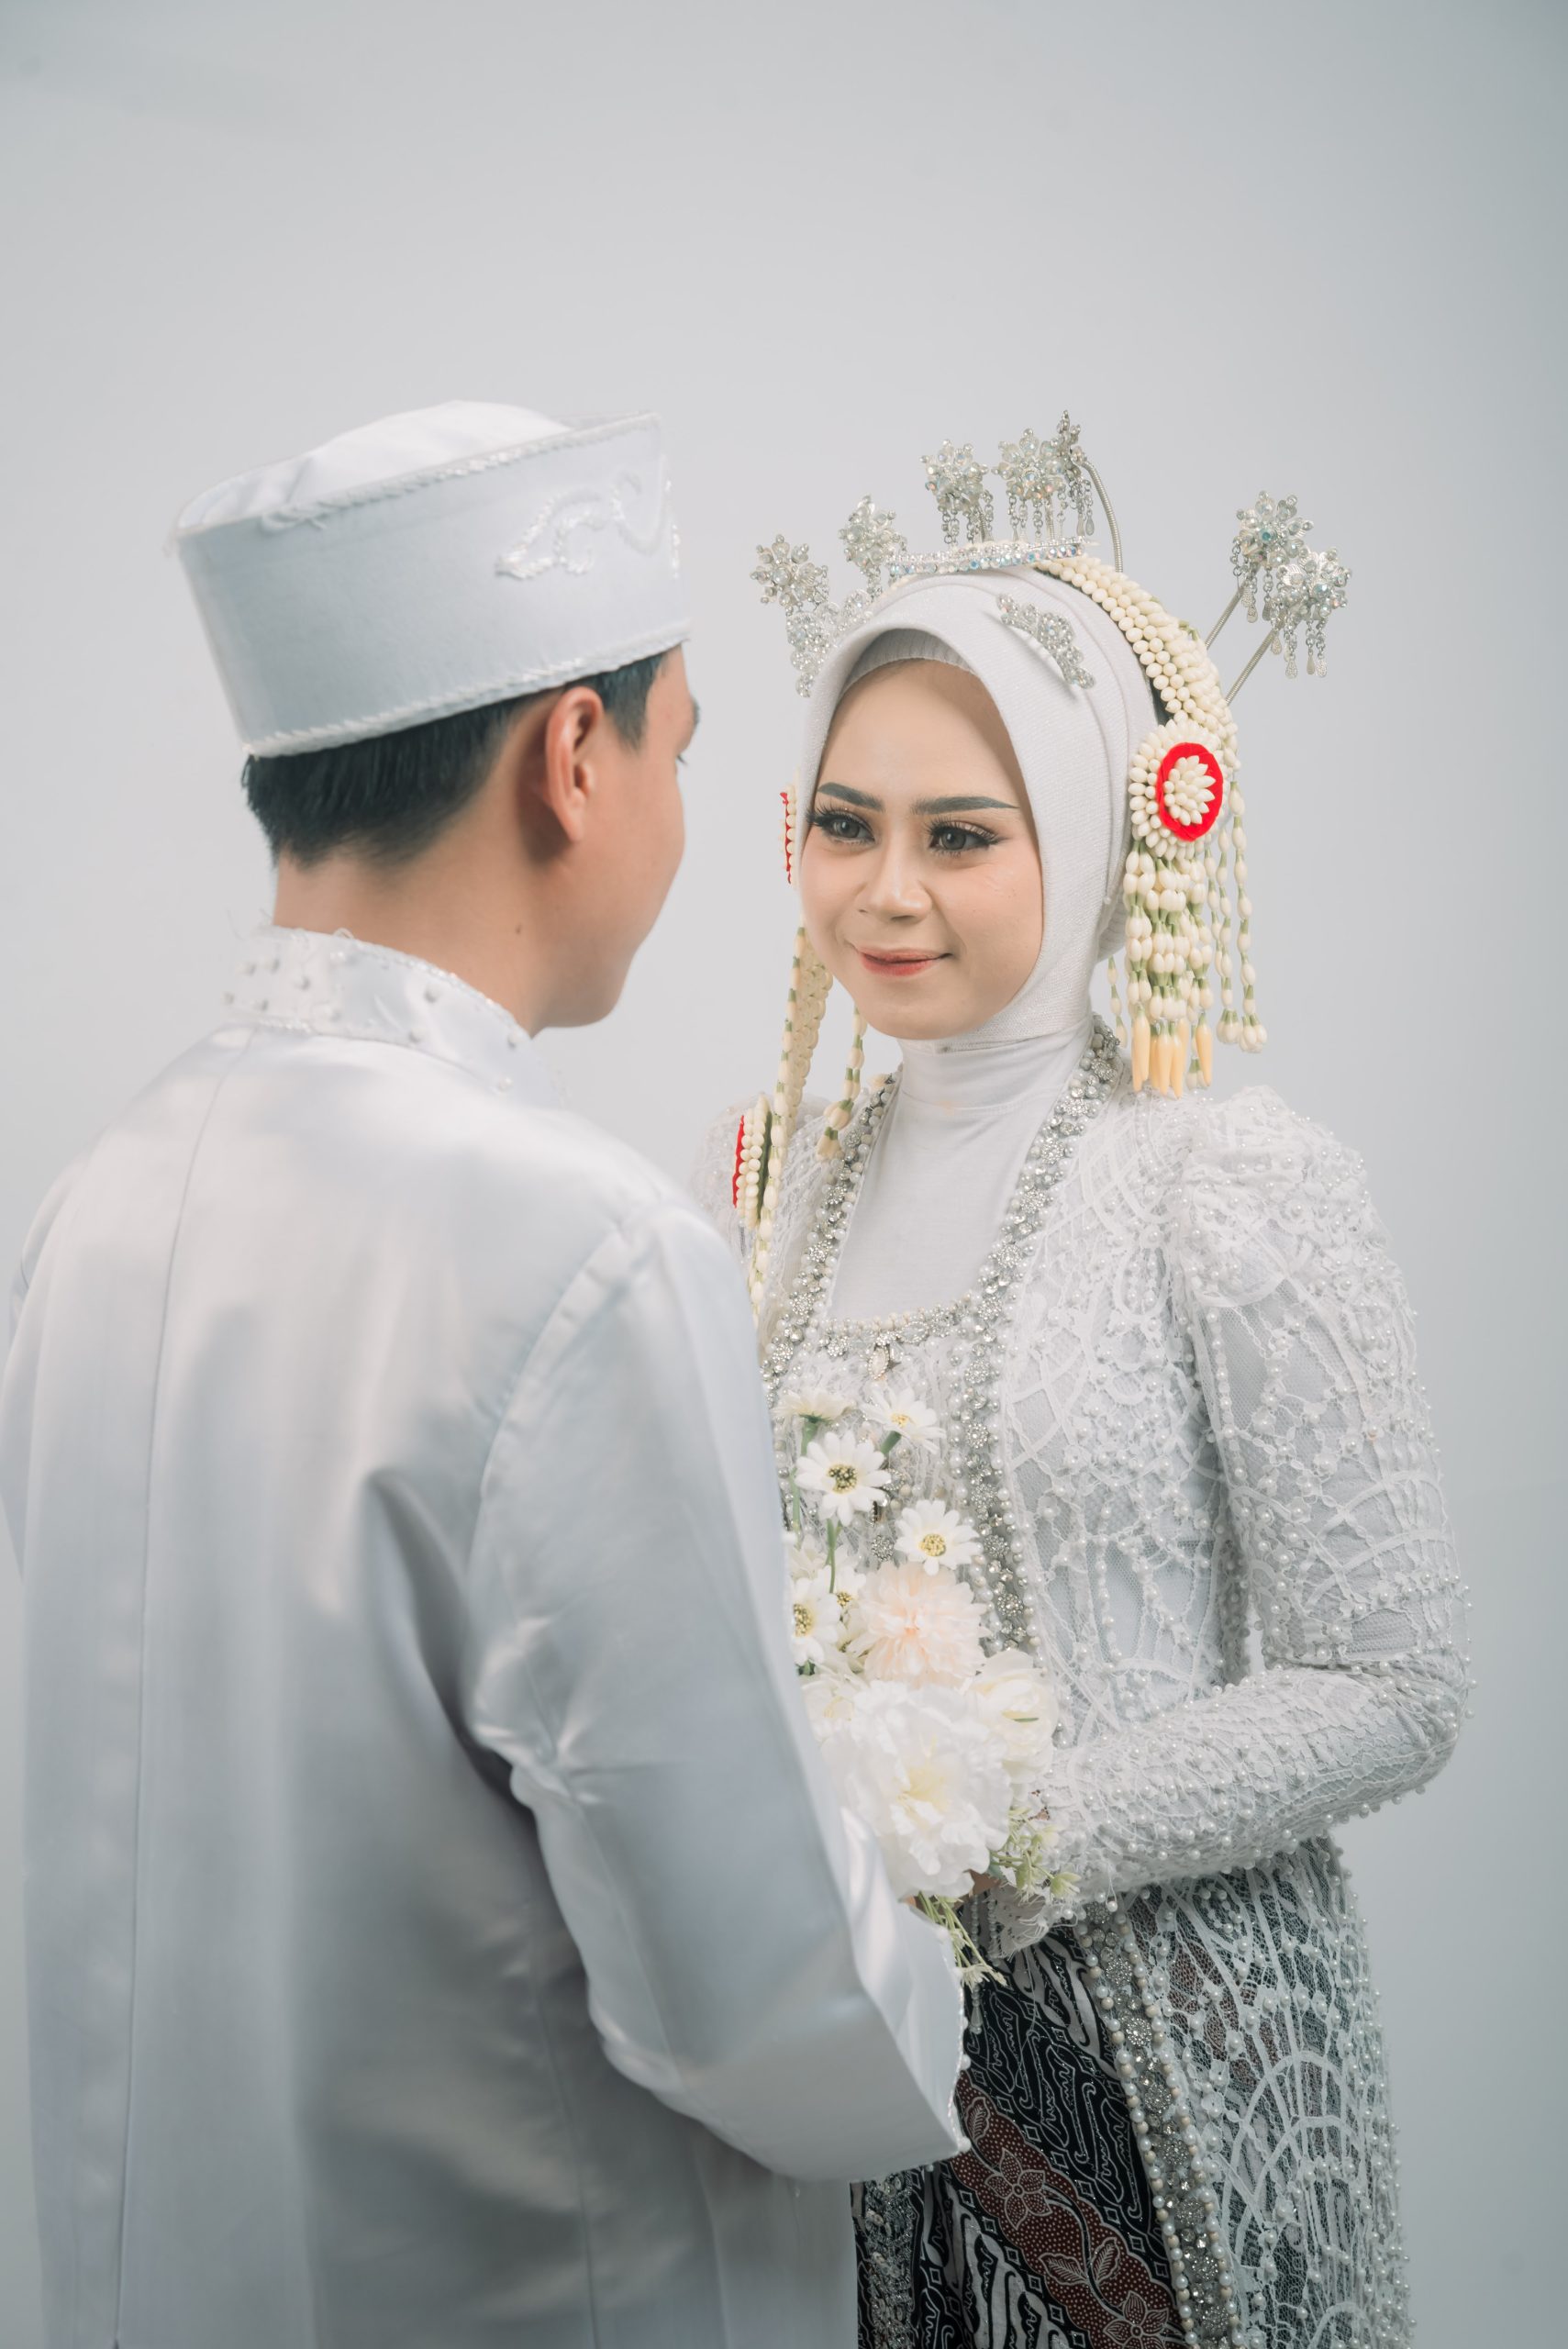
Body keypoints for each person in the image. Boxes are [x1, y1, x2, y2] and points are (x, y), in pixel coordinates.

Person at [0, 401, 966, 2349]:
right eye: (683, 748)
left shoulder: (94, 1200)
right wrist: (937, 1962)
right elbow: (758, 1997)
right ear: (574, 758)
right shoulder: (581, 1245)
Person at [698, 430, 1466, 2349]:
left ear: (1101, 834)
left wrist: (1019, 1829)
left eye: (961, 834)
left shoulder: (1227, 1183)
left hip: (1167, 2072)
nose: (886, 890)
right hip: (840, 2071)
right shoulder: (764, 1186)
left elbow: (1395, 1681)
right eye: (845, 823)